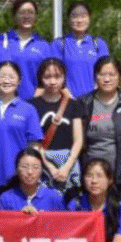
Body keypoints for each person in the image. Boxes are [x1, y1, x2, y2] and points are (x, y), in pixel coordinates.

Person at [77, 56, 121, 205]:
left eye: (112, 74)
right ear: (95, 77)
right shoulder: (84, 103)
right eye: (102, 74)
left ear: (120, 78)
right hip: (92, 178)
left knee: (120, 216)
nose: (107, 79)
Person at [0, 61, 43, 197]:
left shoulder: (29, 110)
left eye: (11, 77)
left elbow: (34, 145)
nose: (6, 81)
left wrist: (31, 172)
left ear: (19, 80)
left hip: (20, 178)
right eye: (2, 76)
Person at [31, 58, 85, 190]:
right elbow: (33, 141)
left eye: (57, 76)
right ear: (40, 79)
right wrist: (49, 167)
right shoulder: (32, 106)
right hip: (42, 162)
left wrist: (66, 167)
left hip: (68, 162)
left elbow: (78, 140)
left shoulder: (74, 105)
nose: (52, 81)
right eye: (47, 77)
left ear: (64, 78)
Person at [52, 1, 110, 98]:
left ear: (90, 18)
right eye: (74, 16)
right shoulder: (59, 44)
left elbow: (105, 73)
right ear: (68, 19)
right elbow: (55, 74)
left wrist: (95, 96)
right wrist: (69, 97)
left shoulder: (99, 44)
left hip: (95, 100)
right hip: (67, 100)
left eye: (83, 16)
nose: (79, 20)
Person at [0, 0, 52, 99]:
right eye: (22, 12)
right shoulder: (1, 40)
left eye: (31, 12)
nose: (27, 16)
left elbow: (49, 75)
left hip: (34, 101)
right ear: (14, 16)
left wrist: (40, 91)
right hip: (5, 100)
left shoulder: (43, 45)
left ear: (36, 17)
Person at [0, 148, 65, 212]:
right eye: (24, 167)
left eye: (35, 167)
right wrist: (20, 216)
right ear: (16, 169)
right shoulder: (6, 199)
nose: (30, 172)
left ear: (42, 170)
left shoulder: (54, 198)